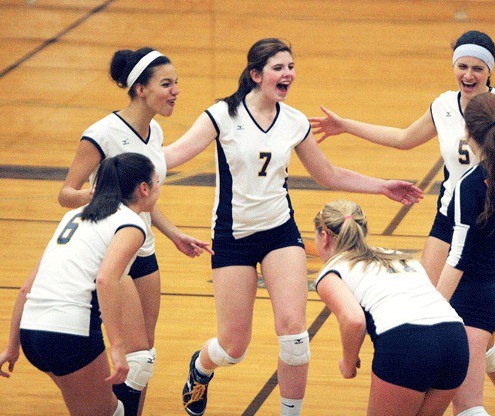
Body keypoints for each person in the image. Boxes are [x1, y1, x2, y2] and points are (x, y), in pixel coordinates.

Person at [162, 38, 423, 416]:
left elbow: (327, 173)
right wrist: (123, 157)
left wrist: (382, 186)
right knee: (233, 347)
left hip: (279, 234)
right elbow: (174, 155)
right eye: (278, 68)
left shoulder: (294, 121)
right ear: (256, 75)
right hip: (232, 237)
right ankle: (201, 369)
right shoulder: (222, 115)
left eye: (291, 67)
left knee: (295, 336)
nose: (288, 75)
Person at [309, 30, 495, 416]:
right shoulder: (443, 105)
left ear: (489, 71)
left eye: (477, 68)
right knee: (438, 321)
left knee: (481, 338)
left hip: (491, 231)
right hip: (449, 222)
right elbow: (405, 138)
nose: (468, 75)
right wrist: (346, 126)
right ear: (454, 66)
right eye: (462, 66)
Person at [58, 47, 211, 415]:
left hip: (144, 250)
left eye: (177, 83)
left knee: (145, 354)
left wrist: (175, 234)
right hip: (112, 253)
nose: (176, 91)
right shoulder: (101, 134)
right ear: (140, 89)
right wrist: (96, 195)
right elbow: (65, 194)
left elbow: (145, 199)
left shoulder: (154, 131)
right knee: (133, 353)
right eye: (166, 84)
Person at [0, 153, 160, 416]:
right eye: (156, 181)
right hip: (69, 335)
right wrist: (117, 349)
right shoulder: (131, 224)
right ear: (144, 189)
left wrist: (12, 345)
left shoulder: (74, 216)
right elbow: (106, 280)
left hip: (31, 333)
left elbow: (26, 287)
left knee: (112, 410)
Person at [314, 200, 469, 416]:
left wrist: (348, 364)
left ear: (324, 237)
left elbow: (354, 321)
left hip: (407, 345)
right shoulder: (400, 256)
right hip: (455, 340)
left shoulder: (332, 270)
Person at [435, 92, 495, 416]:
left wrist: (432, 308)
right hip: (491, 293)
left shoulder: (469, 184)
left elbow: (459, 254)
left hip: (470, 299)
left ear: (467, 131)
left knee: (467, 407)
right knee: (483, 361)